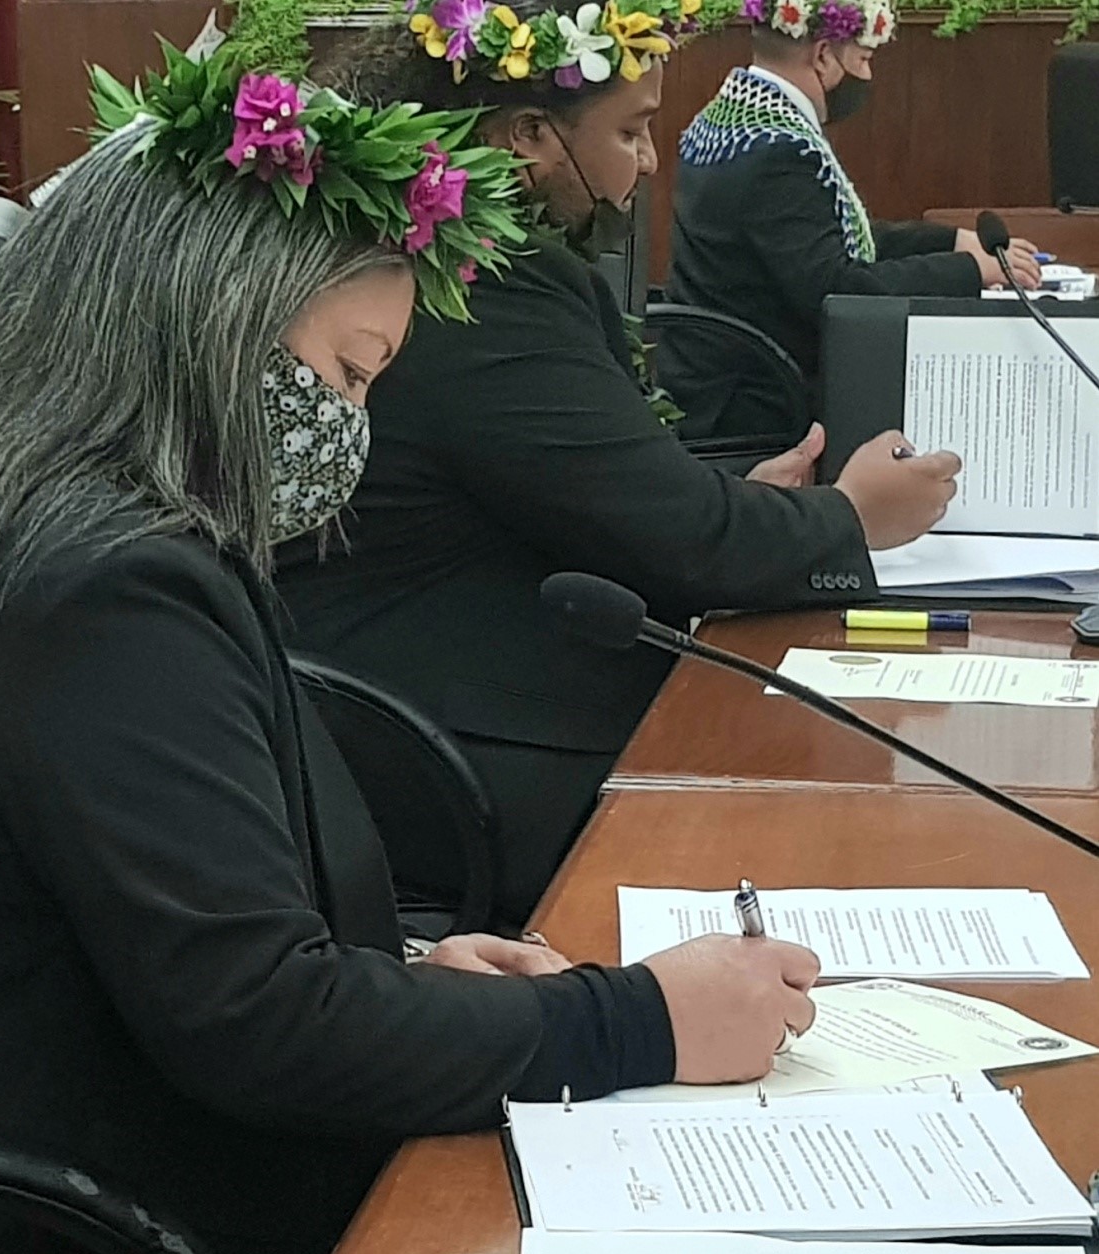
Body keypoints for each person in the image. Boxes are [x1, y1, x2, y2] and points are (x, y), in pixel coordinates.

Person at [0, 39, 820, 1254]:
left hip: (41, 1181)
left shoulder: (58, 506)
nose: (348, 422)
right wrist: (637, 1019)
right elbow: (259, 1025)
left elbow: (158, 920)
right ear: (209, 323)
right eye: (343, 369)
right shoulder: (101, 584)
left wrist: (410, 968)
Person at [275, 0, 961, 923]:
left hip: (411, 694)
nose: (647, 164)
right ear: (529, 136)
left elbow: (601, 494)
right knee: (828, 788)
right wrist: (855, 514)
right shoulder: (481, 297)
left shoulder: (430, 261)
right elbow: (684, 540)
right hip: (430, 752)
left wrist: (737, 501)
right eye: (633, 132)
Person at [665, 0, 1044, 430]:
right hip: (755, 400)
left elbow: (832, 239)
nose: (867, 76)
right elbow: (838, 289)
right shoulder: (778, 148)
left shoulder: (736, 117)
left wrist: (952, 241)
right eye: (863, 59)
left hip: (724, 381)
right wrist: (968, 271)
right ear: (824, 56)